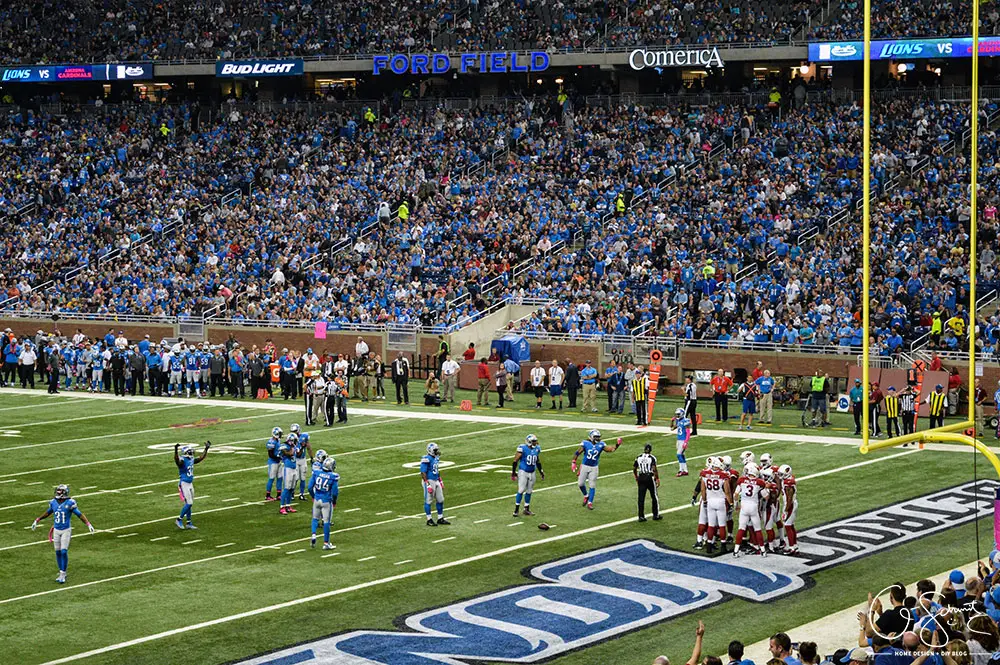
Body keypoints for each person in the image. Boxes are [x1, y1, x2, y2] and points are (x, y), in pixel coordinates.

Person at [31, 484, 96, 584]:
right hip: (56, 530)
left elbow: (79, 514)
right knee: (57, 552)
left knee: (64, 551)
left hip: (66, 530)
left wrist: (88, 524)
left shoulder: (70, 503)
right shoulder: (53, 502)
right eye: (58, 490)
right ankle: (61, 571)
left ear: (64, 492)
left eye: (60, 491)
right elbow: (48, 512)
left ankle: (63, 573)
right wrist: (37, 519)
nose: (58, 492)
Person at [572, 430, 621, 509]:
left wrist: (617, 445)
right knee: (580, 484)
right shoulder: (585, 443)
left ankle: (590, 503)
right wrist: (573, 462)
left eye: (598, 437)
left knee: (592, 485)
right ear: (591, 437)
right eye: (596, 437)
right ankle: (586, 496)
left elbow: (610, 449)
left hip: (594, 467)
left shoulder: (601, 444)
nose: (598, 438)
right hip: (585, 466)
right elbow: (577, 452)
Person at [174, 442, 210, 530]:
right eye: (190, 451)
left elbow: (201, 458)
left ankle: (189, 522)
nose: (192, 452)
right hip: (184, 483)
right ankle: (179, 519)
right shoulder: (182, 461)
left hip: (190, 483)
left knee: (189, 504)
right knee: (189, 503)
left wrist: (206, 449)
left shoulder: (191, 459)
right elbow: (177, 460)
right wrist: (175, 450)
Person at [733, 464, 765, 557]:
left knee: (741, 528)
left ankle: (735, 551)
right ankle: (763, 551)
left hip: (744, 507)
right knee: (758, 529)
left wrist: (736, 505)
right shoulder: (760, 482)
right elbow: (765, 495)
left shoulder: (742, 480)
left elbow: (735, 494)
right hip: (754, 507)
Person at [309, 457, 339, 550]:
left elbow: (310, 487)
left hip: (317, 499)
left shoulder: (316, 473)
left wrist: (314, 496)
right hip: (326, 501)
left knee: (315, 518)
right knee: (326, 522)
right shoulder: (333, 477)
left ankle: (313, 534)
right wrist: (334, 501)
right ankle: (326, 543)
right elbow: (335, 492)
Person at [512, 434, 544, 517]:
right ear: (529, 442)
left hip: (532, 472)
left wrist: (541, 471)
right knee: (521, 490)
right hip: (523, 471)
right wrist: (513, 472)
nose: (535, 443)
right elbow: (515, 460)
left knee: (529, 491)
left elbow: (537, 461)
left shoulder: (537, 449)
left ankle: (526, 509)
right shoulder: (523, 448)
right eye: (533, 441)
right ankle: (516, 509)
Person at [420, 443, 450, 526]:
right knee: (428, 500)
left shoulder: (436, 458)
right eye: (435, 450)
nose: (437, 451)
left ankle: (440, 518)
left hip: (436, 480)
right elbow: (423, 472)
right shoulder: (426, 459)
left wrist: (440, 480)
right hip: (429, 480)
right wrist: (427, 484)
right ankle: (429, 519)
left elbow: (436, 469)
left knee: (440, 499)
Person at [634, 443, 661, 522]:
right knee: (654, 496)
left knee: (641, 498)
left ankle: (641, 516)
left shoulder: (638, 457)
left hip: (641, 477)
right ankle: (655, 515)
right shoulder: (652, 458)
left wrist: (636, 477)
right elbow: (654, 468)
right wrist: (657, 478)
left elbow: (634, 468)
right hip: (649, 477)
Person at [291, 424, 313, 500]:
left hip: (303, 459)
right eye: (293, 431)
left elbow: (309, 447)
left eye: (295, 431)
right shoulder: (291, 438)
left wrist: (311, 457)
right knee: (296, 477)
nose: (294, 433)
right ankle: (292, 493)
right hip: (295, 459)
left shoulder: (304, 436)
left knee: (303, 477)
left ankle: (302, 494)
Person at [278, 434, 299, 515]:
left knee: (291, 488)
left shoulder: (293, 446)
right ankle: (282, 506)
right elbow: (289, 453)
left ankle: (288, 505)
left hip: (294, 468)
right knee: (286, 488)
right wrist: (293, 448)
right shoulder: (284, 446)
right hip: (287, 469)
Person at [674, 407, 692, 476]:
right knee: (681, 455)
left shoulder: (686, 421)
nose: (677, 416)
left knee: (678, 454)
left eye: (678, 414)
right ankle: (685, 470)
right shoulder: (678, 421)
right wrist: (672, 421)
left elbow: (688, 432)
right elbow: (672, 428)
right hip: (678, 440)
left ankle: (681, 470)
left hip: (683, 440)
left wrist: (686, 441)